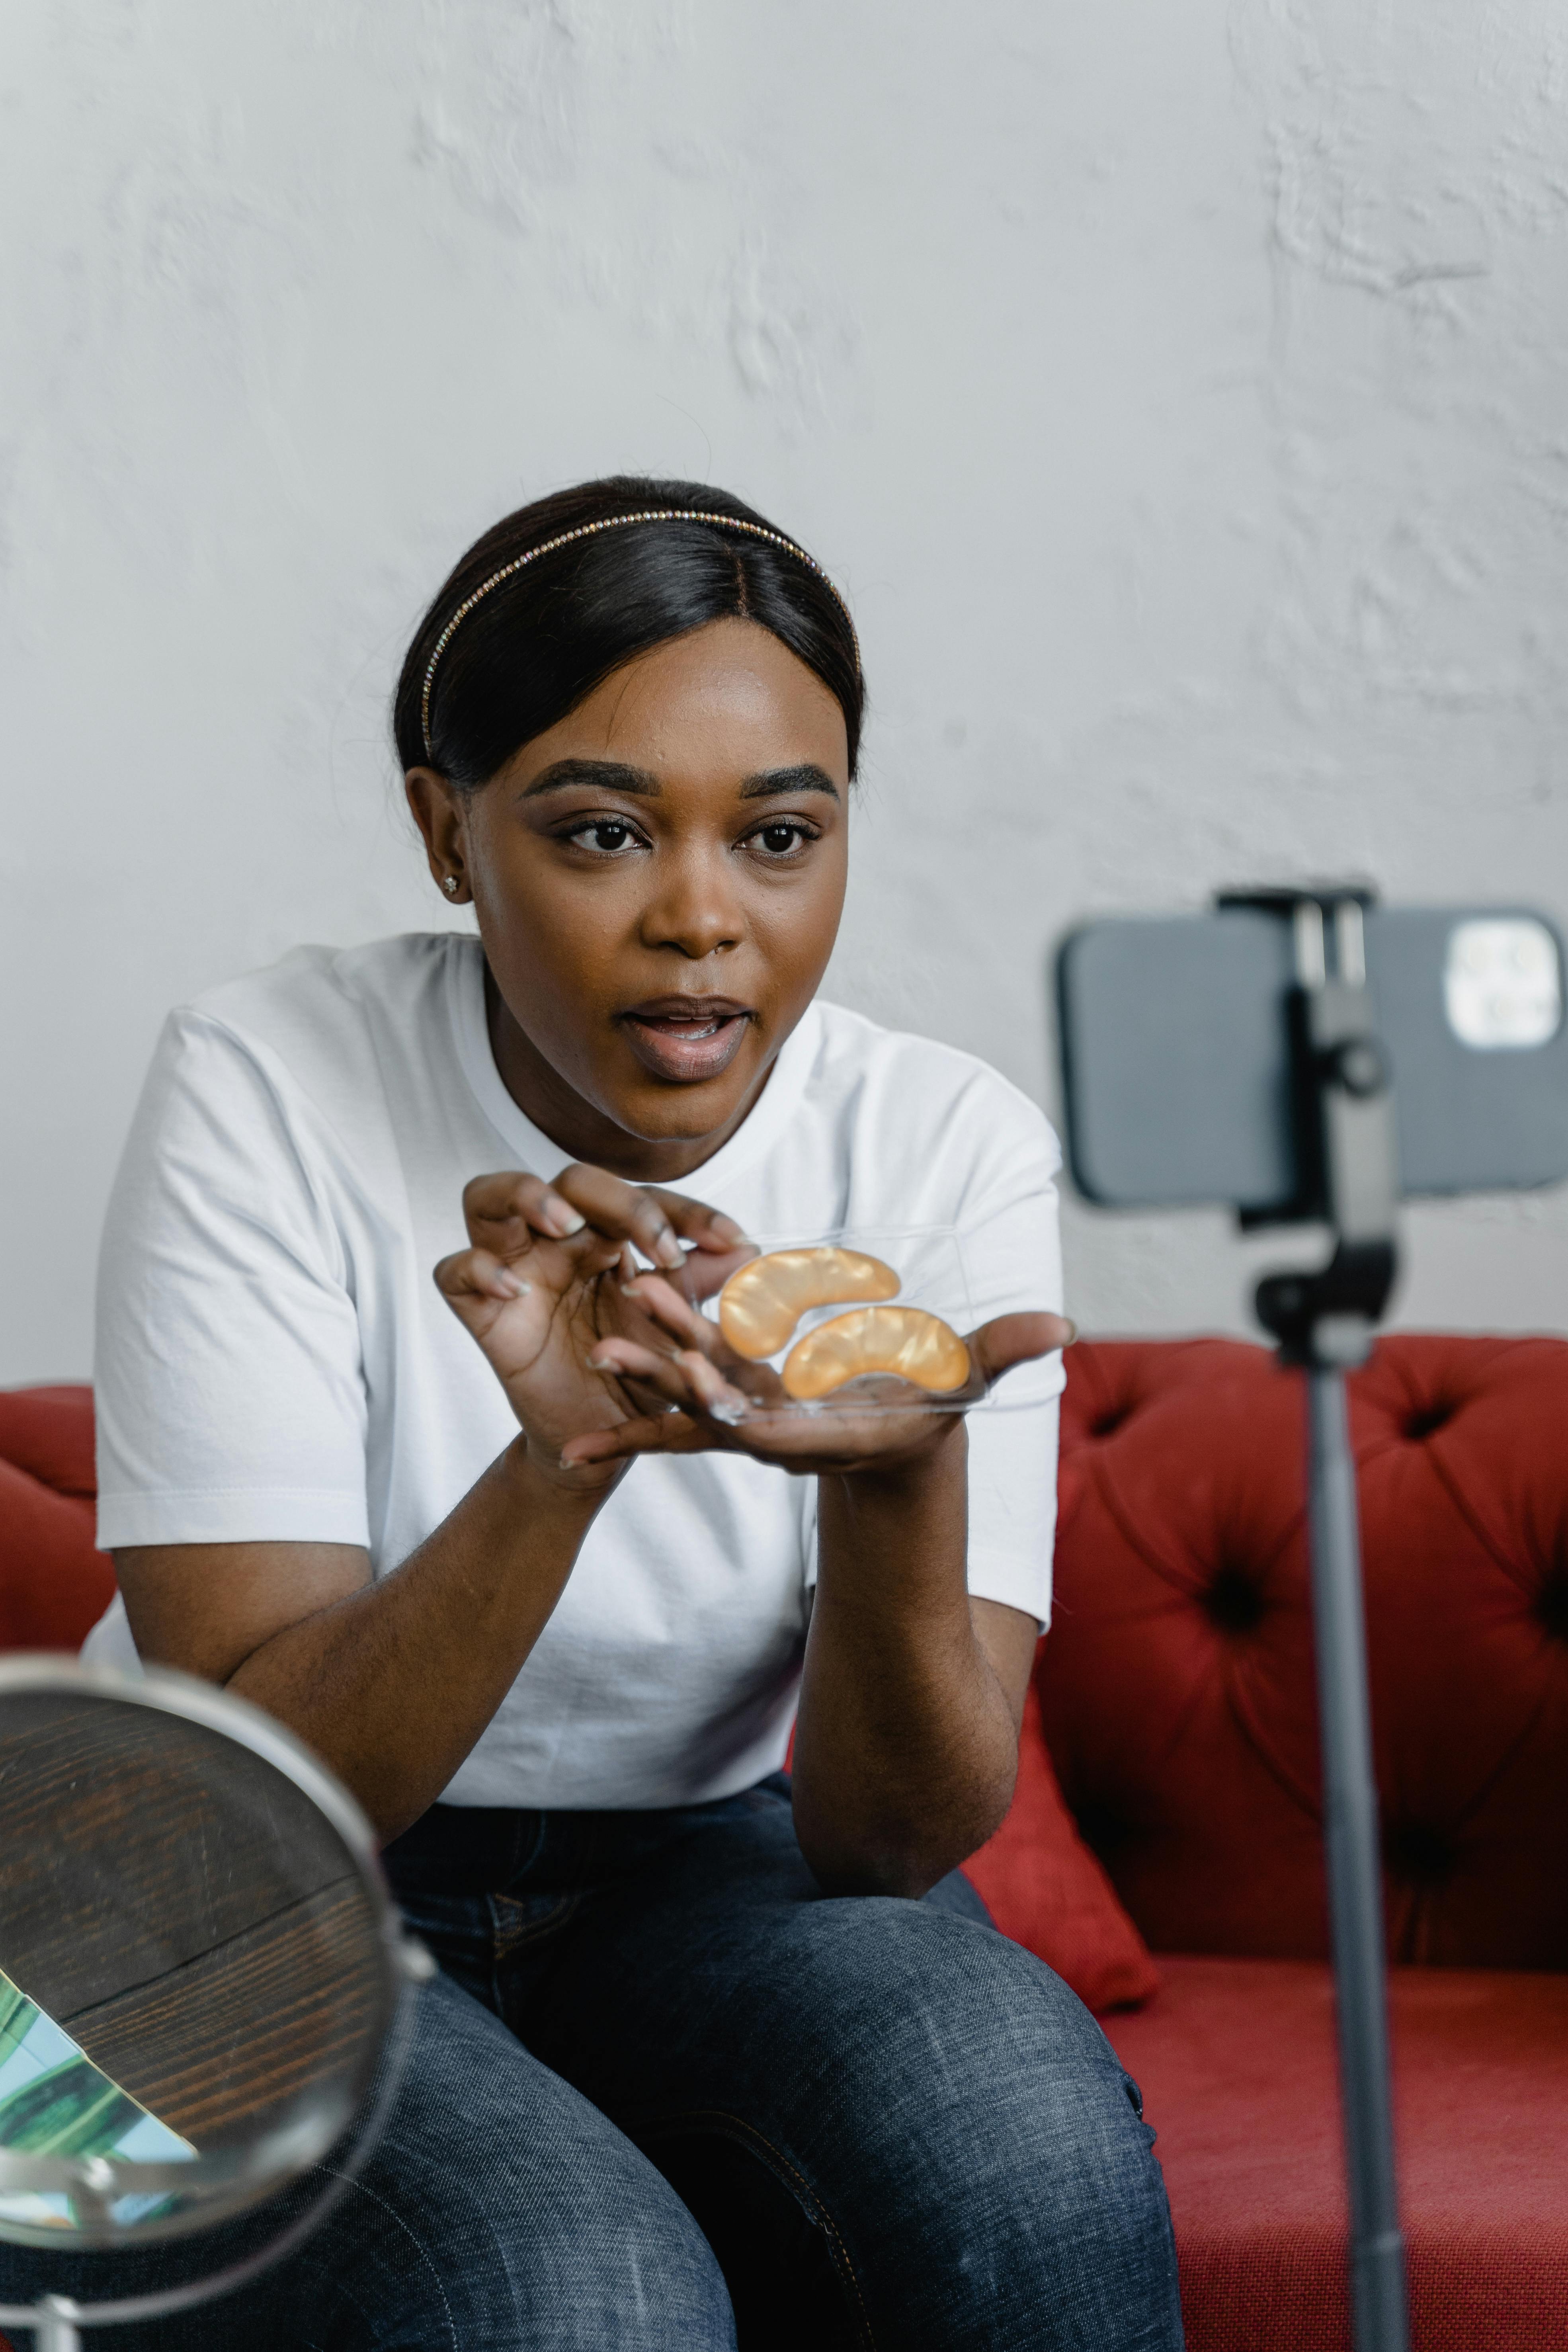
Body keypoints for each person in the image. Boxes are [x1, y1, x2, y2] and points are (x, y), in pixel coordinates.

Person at [66, 479, 1183, 2347]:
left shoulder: (941, 1143)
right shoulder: (264, 1080)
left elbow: (887, 1851)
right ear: (446, 833)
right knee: (569, 2289)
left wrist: (904, 1474)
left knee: (1021, 2140)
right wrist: (561, 1455)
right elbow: (272, 1793)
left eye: (777, 835)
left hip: (702, 1866)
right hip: (221, 1884)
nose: (700, 921)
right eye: (600, 831)